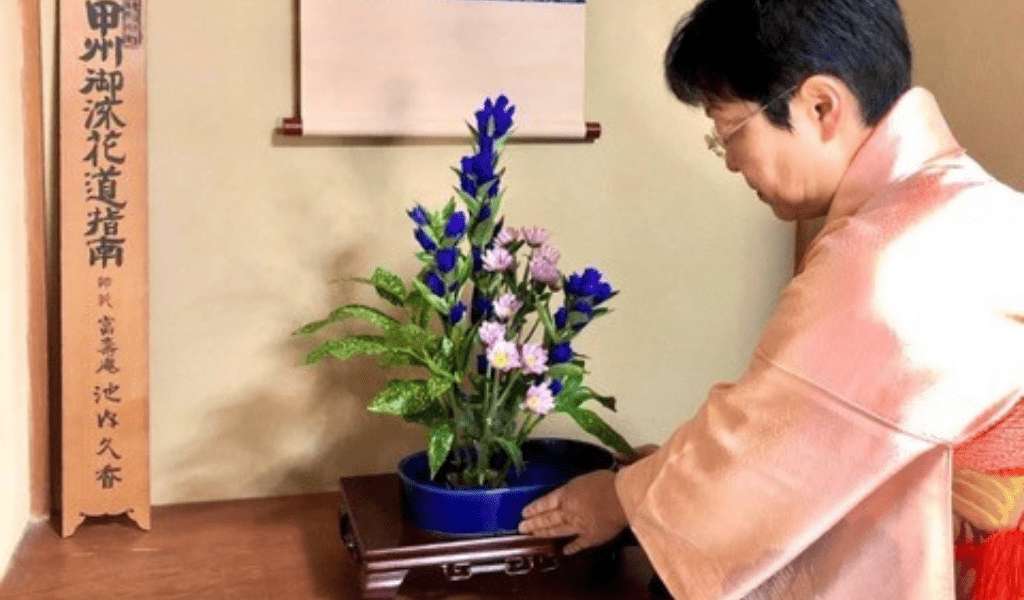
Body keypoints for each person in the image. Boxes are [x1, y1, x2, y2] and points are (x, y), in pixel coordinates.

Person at [517, 0, 1024, 598]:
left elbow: (765, 449)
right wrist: (660, 480)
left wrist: (624, 498)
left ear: (820, 106)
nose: (731, 160)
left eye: (729, 131)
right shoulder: (971, 199)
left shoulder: (882, 258)